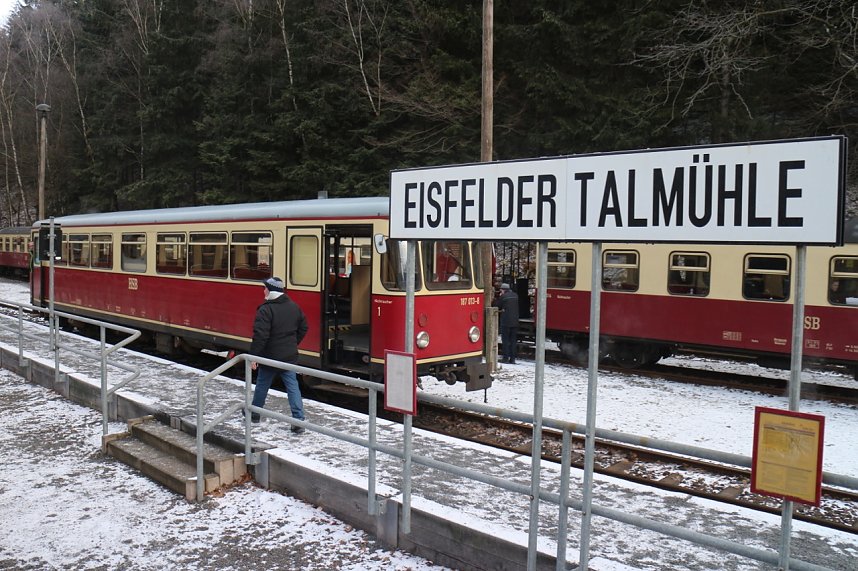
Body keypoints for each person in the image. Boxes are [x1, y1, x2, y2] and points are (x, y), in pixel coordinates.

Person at [248, 276, 309, 433]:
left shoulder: (266, 309)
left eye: (265, 288)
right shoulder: (294, 307)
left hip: (270, 357)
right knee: (293, 387)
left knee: (262, 385)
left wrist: (254, 356)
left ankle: (255, 414)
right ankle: (298, 420)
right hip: (288, 356)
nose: (263, 291)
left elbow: (260, 336)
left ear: (270, 290)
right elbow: (304, 327)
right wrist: (293, 343)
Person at [492, 283, 520, 364]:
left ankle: (505, 358)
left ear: (503, 290)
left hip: (506, 322)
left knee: (506, 341)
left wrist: (498, 297)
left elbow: (496, 305)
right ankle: (513, 359)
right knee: (513, 341)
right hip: (515, 322)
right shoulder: (515, 295)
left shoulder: (503, 297)